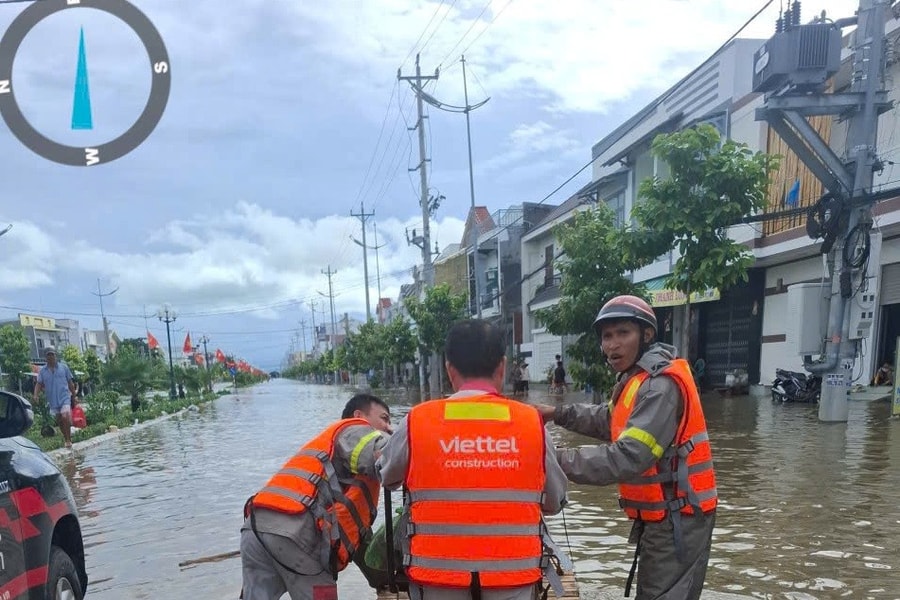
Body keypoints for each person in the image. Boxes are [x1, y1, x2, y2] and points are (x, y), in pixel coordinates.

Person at [535, 295, 717, 600]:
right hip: (664, 515)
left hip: (680, 518)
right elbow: (610, 420)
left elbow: (629, 456)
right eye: (607, 336)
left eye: (623, 333)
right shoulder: (636, 380)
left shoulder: (660, 386)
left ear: (646, 335)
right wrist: (556, 413)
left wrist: (550, 460)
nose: (612, 345)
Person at [378, 319, 569, 600]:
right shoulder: (531, 423)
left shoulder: (418, 420)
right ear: (502, 367)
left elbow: (387, 477)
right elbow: (554, 502)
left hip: (437, 580)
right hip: (513, 579)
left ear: (448, 369)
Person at [240, 393, 393, 600]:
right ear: (359, 415)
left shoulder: (326, 448)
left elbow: (354, 531)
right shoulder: (355, 428)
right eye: (384, 418)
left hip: (255, 529)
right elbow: (384, 456)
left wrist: (379, 578)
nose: (389, 427)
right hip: (298, 535)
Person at [34, 346, 76, 449]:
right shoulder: (42, 371)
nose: (51, 357)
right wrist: (35, 395)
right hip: (53, 399)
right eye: (48, 355)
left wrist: (74, 395)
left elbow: (70, 382)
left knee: (65, 416)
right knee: (60, 420)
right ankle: (66, 437)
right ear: (45, 357)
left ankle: (68, 440)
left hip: (64, 396)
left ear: (55, 356)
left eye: (52, 354)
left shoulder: (64, 368)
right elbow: (38, 384)